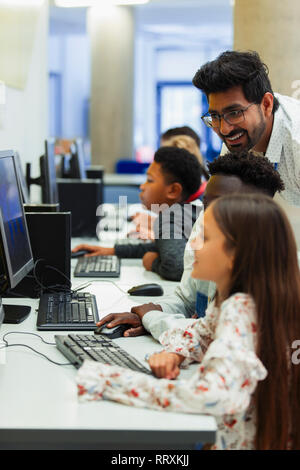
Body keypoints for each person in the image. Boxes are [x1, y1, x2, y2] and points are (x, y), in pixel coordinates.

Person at [76, 193, 300, 450]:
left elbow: (213, 396)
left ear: (235, 255)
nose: (191, 243)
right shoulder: (234, 299)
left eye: (204, 237)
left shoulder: (242, 309)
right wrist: (177, 353)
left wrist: (108, 380)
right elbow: (202, 332)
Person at [96, 150, 284, 339]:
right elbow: (187, 300)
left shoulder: (262, 286)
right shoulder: (205, 223)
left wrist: (153, 318)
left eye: (220, 206)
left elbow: (212, 334)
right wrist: (147, 315)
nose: (206, 214)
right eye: (206, 204)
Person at [72, 146, 203, 282]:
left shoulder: (169, 218)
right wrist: (113, 251)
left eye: (150, 180)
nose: (142, 186)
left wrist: (152, 262)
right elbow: (163, 246)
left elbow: (176, 268)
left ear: (173, 190)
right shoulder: (190, 211)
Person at [192, 49, 300, 207]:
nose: (224, 129)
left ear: (266, 105)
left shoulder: (296, 141)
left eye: (234, 113)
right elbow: (214, 207)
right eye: (215, 116)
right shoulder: (237, 140)